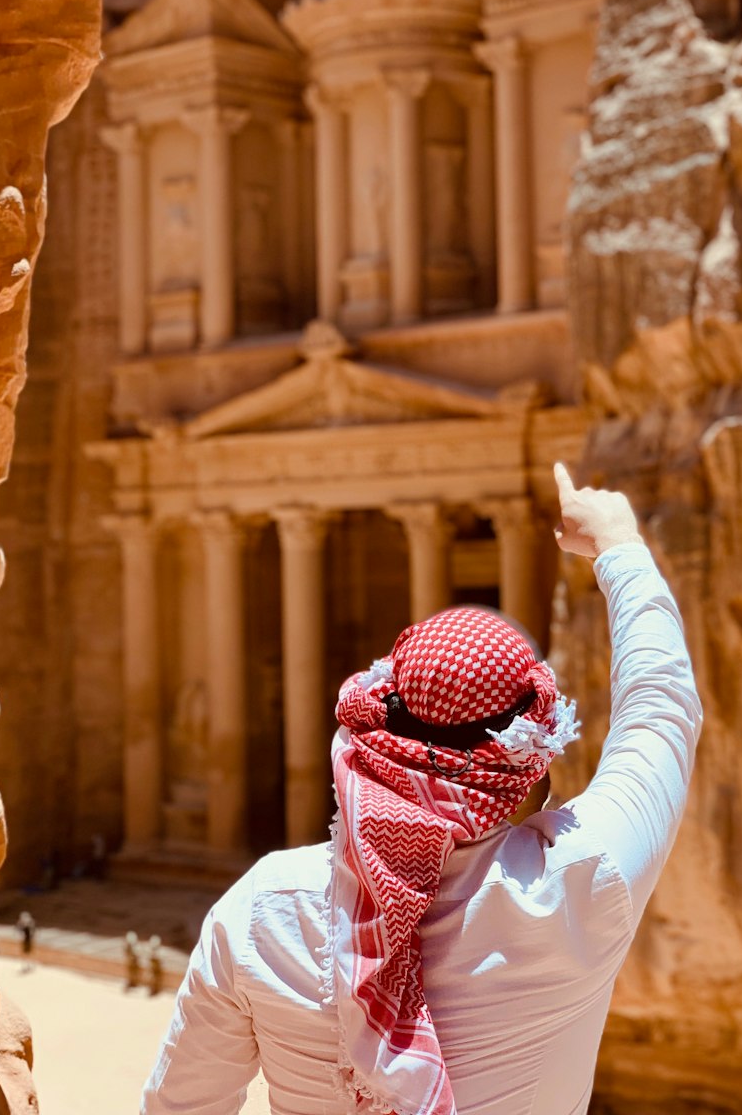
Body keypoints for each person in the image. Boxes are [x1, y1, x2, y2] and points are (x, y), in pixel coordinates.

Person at [141, 463, 703, 1115]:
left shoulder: (263, 908)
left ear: (372, 745)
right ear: (525, 764)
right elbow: (662, 707)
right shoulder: (583, 883)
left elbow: (179, 1106)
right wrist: (618, 542)